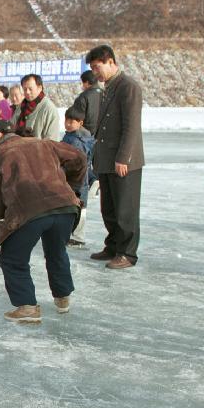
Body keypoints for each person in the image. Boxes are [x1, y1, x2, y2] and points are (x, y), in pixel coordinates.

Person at [0, 120, 86, 323]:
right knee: (57, 251)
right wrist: (72, 188)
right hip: (65, 207)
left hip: (28, 211)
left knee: (12, 258)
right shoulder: (43, 143)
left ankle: (27, 306)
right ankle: (63, 299)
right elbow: (79, 158)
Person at [86, 45, 144, 269]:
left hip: (123, 161)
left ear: (110, 62)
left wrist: (124, 158)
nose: (95, 72)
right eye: (92, 68)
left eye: (97, 67)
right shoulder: (108, 87)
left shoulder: (128, 87)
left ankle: (127, 253)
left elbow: (131, 126)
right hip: (107, 159)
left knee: (125, 209)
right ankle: (113, 246)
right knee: (108, 208)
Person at [61, 107, 95, 248]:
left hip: (77, 180)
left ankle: (78, 237)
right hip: (73, 179)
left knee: (79, 206)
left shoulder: (78, 140)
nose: (68, 124)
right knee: (73, 206)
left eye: (72, 121)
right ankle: (71, 234)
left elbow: (76, 162)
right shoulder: (70, 135)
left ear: (80, 123)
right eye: (66, 120)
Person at [12, 74, 60, 141]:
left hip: (39, 150)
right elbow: (11, 129)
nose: (27, 92)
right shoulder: (21, 107)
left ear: (39, 88)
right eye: (25, 89)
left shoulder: (49, 109)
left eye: (30, 89)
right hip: (19, 148)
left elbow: (52, 140)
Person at [71, 70, 103, 138]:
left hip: (86, 138)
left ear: (87, 83)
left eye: (83, 83)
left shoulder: (83, 97)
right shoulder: (105, 94)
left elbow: (75, 120)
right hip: (103, 137)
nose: (82, 86)